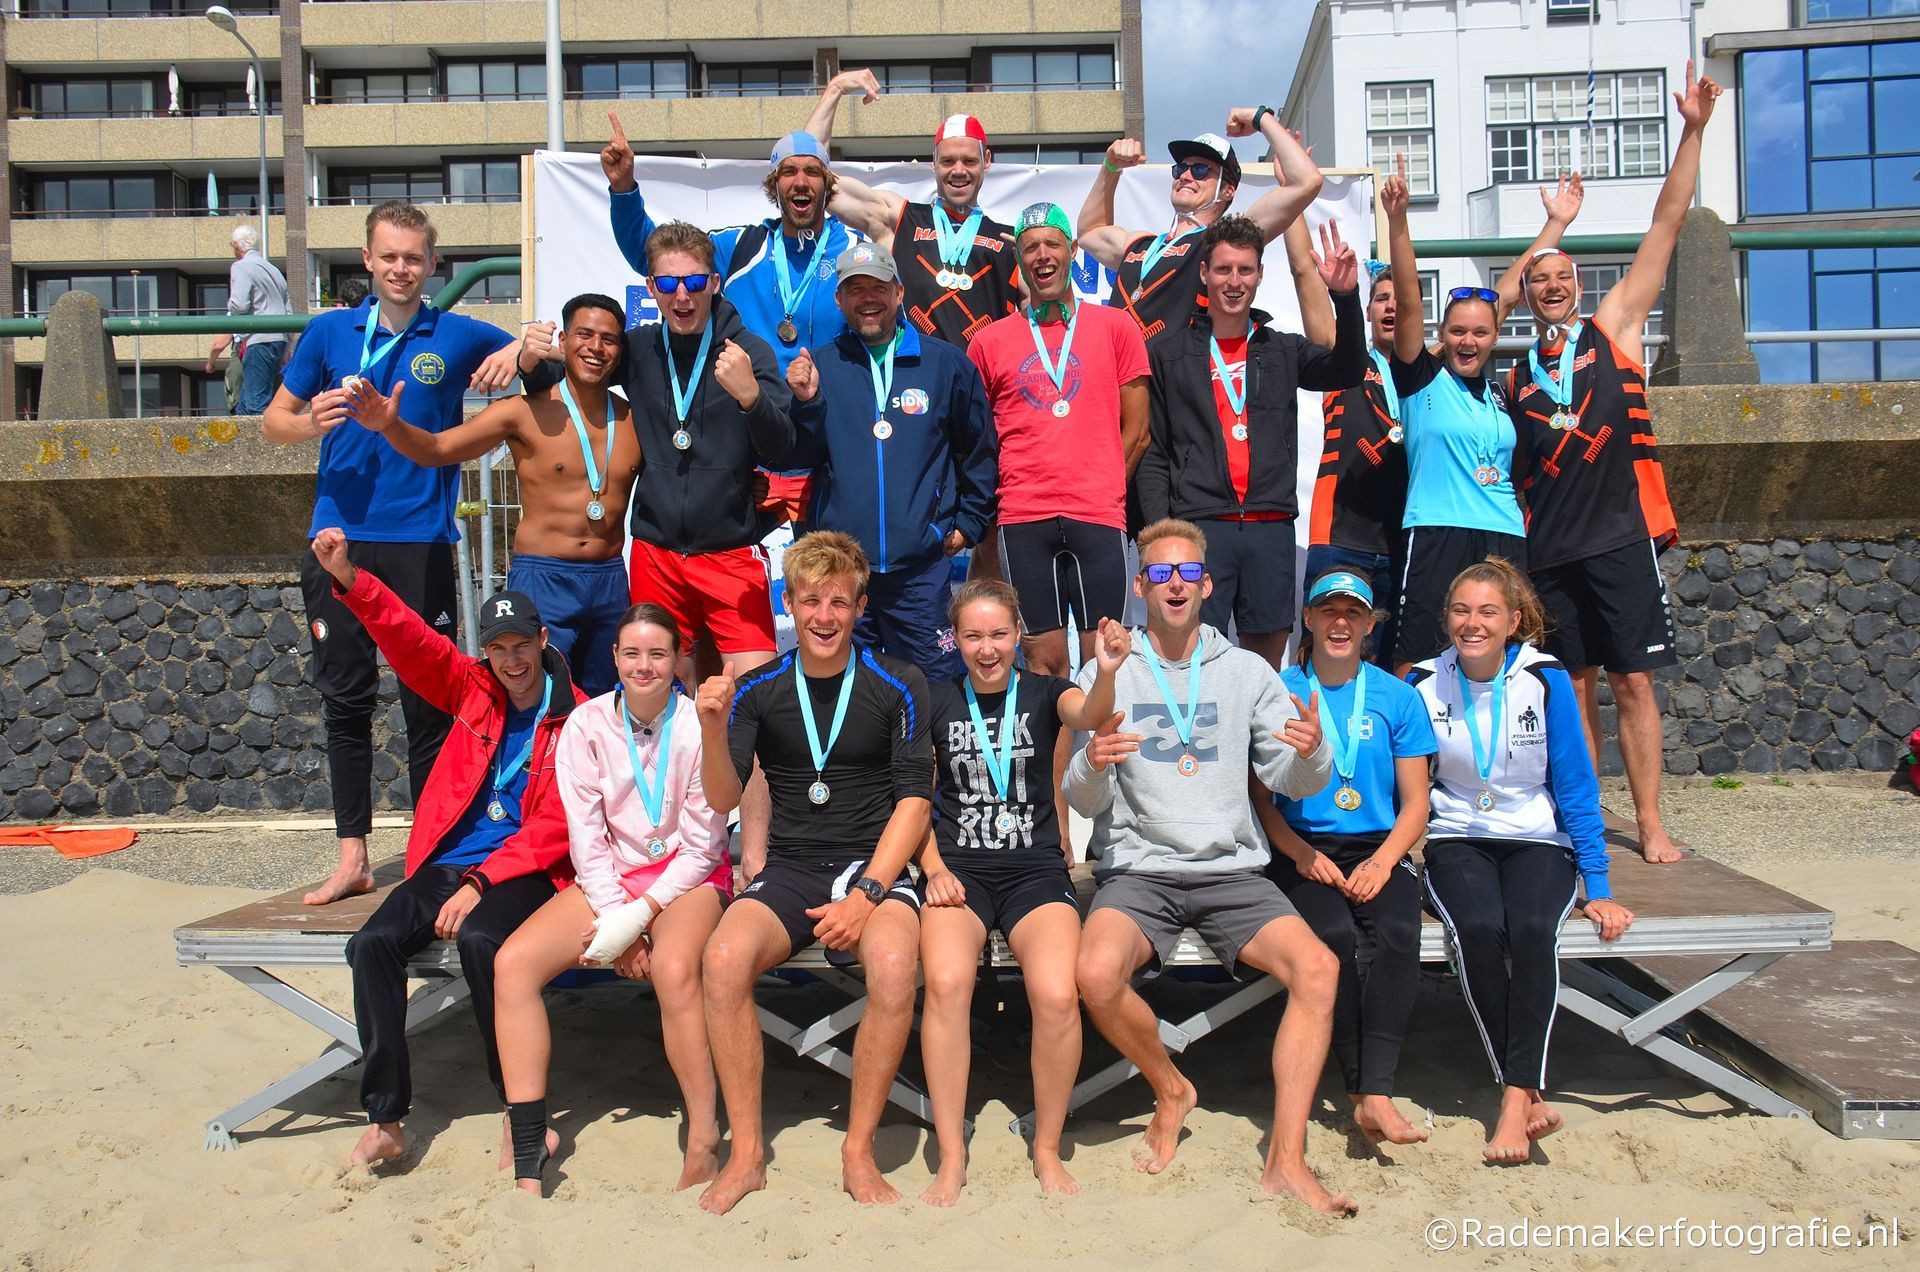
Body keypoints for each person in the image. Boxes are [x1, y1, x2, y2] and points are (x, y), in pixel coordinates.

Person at [1066, 518, 1355, 1215]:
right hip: (1139, 871)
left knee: (1319, 970)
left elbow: (1288, 779)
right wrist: (1093, 763)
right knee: (1095, 975)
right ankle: (1171, 1088)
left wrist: (1314, 752)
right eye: (1162, 572)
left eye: (1188, 572)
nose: (1176, 584)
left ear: (1207, 585)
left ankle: (1287, 1158)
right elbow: (1080, 795)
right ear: (1141, 585)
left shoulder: (1247, 671)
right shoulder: (1110, 667)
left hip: (1232, 873)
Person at [264, 201, 523, 907]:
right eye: (389, 257)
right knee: (345, 700)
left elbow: (539, 357)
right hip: (339, 539)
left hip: (421, 542)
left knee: (429, 706)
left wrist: (516, 350)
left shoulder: (458, 333)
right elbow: (273, 420)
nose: (401, 269)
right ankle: (352, 856)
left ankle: (430, 854)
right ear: (368, 260)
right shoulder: (329, 332)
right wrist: (305, 424)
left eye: (414, 258)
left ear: (432, 264)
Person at [306, 528, 585, 1169]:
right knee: (371, 945)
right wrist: (348, 578)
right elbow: (407, 636)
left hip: (523, 869)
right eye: (498, 649)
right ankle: (386, 1118)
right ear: (485, 653)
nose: (512, 661)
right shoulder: (469, 688)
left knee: (483, 942)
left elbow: (558, 825)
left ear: (544, 641)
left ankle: (519, 1109)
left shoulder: (579, 715)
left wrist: (481, 883)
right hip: (449, 861)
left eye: (522, 646)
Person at [521, 222, 793, 878]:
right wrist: (530, 362)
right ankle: (669, 851)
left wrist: (752, 399)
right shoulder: (640, 347)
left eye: (694, 281)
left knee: (754, 702)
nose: (682, 295)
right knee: (659, 704)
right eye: (668, 283)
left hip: (729, 554)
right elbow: (574, 377)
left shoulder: (748, 350)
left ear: (714, 282)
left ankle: (756, 862)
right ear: (651, 287)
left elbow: (787, 445)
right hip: (657, 554)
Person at [1503, 65, 1722, 865]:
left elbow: (1666, 225)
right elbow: (1489, 304)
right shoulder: (1516, 376)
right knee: (1573, 691)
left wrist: (1693, 130)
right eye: (1540, 280)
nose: (1552, 286)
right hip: (1551, 552)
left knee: (1633, 682)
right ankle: (1585, 819)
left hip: (1623, 539)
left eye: (1562, 276)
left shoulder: (1614, 330)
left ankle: (1651, 821)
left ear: (1579, 285)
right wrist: (1550, 226)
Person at [694, 531, 932, 1215]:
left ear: (860, 607)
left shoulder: (899, 681)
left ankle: (858, 1150)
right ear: (789, 605)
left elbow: (915, 803)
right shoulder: (757, 688)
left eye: (838, 602)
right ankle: (747, 1154)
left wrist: (867, 895)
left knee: (893, 967)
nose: (824, 617)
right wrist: (712, 729)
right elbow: (721, 798)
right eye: (809, 601)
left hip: (872, 863)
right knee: (722, 961)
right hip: (794, 865)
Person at [491, 603, 732, 1195]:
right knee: (513, 964)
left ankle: (703, 1134)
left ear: (679, 660)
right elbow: (586, 838)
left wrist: (636, 921)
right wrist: (612, 915)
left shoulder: (697, 724)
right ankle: (529, 1140)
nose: (644, 666)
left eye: (658, 654)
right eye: (632, 653)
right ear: (614, 657)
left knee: (674, 968)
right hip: (614, 880)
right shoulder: (587, 723)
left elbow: (705, 846)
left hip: (688, 878)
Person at [1408, 557, 1635, 1163]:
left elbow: (1576, 785)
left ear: (1513, 621)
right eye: (1461, 610)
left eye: (1488, 612)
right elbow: (1407, 783)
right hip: (1457, 836)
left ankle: (1514, 1097)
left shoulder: (1545, 678)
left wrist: (1599, 885)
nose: (1473, 623)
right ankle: (1522, 1092)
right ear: (1446, 618)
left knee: (1534, 928)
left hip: (1538, 838)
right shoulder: (1423, 682)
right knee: (1479, 928)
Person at [916, 582, 1129, 1205]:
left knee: (1058, 995)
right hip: (958, 869)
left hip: (1034, 870)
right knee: (947, 985)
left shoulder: (1044, 691)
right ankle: (951, 1153)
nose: (987, 649)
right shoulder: (935, 698)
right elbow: (911, 796)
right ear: (955, 639)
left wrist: (1106, 672)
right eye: (973, 636)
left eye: (998, 635)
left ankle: (1047, 1147)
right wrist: (932, 868)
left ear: (1018, 635)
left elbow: (1089, 716)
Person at [347, 293, 637, 695]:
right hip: (544, 576)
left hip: (609, 579)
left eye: (609, 339)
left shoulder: (633, 419)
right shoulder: (522, 411)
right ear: (563, 342)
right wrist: (390, 425)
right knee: (537, 699)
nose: (596, 347)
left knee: (604, 703)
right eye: (584, 334)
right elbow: (436, 450)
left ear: (620, 351)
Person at [1251, 569, 1436, 1147]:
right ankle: (1362, 1091)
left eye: (1353, 613)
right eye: (1328, 611)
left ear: (1369, 625)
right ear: (1307, 618)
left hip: (1377, 847)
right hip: (1299, 846)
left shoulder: (1397, 696)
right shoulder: (1276, 692)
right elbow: (1259, 799)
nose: (1340, 623)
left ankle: (1375, 1090)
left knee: (1400, 931)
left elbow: (1417, 803)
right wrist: (1300, 853)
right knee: (1332, 935)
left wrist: (1383, 862)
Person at [1137, 213, 1366, 668]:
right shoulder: (1169, 353)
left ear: (1260, 275)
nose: (1234, 281)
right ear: (1205, 273)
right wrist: (1163, 536)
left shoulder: (1282, 349)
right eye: (1223, 269)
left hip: (1269, 526)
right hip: (1199, 527)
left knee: (1263, 668)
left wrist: (1345, 297)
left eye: (1245, 270)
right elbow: (1155, 453)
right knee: (1193, 660)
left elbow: (1348, 369)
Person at [1381, 156, 1581, 670]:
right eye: (1457, 331)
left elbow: (1508, 291)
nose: (1468, 340)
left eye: (1480, 332)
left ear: (1495, 336)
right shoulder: (1422, 376)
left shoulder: (1499, 392)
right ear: (1441, 335)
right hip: (1436, 528)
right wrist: (1398, 222)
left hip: (1504, 532)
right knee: (1419, 655)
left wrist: (1555, 224)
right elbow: (1409, 298)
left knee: (1507, 658)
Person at [785, 241, 997, 683]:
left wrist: (968, 524)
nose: (868, 299)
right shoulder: (822, 366)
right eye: (855, 289)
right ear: (839, 300)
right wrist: (805, 403)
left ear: (899, 292)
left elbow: (979, 449)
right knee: (841, 688)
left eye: (878, 287)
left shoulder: (944, 364)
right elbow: (799, 457)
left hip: (918, 572)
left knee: (932, 686)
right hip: (842, 573)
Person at [966, 202, 1149, 678]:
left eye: (1052, 244)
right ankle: (1053, 735)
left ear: (1072, 250)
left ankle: (1102, 735)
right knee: (1043, 663)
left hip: (1098, 514)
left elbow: (1138, 430)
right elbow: (976, 440)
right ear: (1019, 260)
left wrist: (1107, 487)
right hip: (1023, 516)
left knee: (1105, 660)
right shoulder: (988, 342)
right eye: (1030, 247)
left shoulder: (1116, 327)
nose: (1042, 255)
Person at [599, 114, 852, 370]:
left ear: (827, 184)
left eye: (812, 172)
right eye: (789, 171)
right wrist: (623, 188)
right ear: (775, 185)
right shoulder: (740, 247)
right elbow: (652, 255)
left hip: (828, 395)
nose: (800, 182)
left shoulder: (853, 251)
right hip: (750, 394)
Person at [803, 71, 1021, 347]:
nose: (958, 170)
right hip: (913, 372)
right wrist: (834, 89)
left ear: (986, 161)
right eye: (948, 161)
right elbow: (812, 178)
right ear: (934, 163)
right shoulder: (901, 221)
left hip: (982, 373)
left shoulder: (1010, 239)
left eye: (969, 161)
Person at [1078, 108, 1322, 342]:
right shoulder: (1142, 244)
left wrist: (1260, 117)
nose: (1185, 176)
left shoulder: (1224, 244)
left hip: (1173, 372)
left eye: (1201, 169)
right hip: (1115, 371)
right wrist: (1111, 166)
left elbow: (1306, 181)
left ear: (1227, 190)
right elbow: (1090, 232)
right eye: (1181, 168)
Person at [217, 222, 291, 413]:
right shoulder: (274, 270)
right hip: (279, 340)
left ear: (236, 245)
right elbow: (288, 311)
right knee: (247, 404)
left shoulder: (241, 267)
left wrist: (230, 307)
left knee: (255, 404)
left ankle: (260, 432)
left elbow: (240, 305)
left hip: (259, 340)